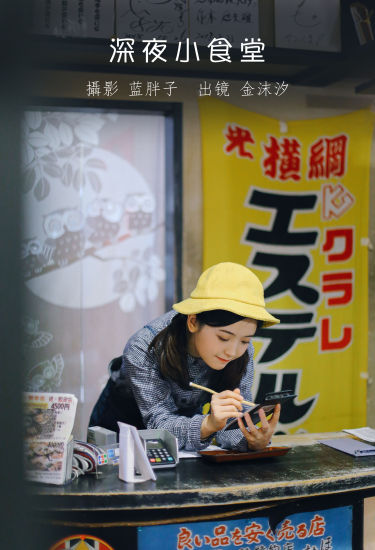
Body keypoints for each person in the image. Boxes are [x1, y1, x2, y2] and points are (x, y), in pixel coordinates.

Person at [89, 262, 280, 452]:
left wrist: (252, 440)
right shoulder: (144, 347)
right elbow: (157, 422)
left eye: (245, 340)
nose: (232, 351)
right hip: (122, 424)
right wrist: (207, 425)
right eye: (223, 337)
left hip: (187, 425)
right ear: (193, 321)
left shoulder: (241, 352)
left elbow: (233, 421)